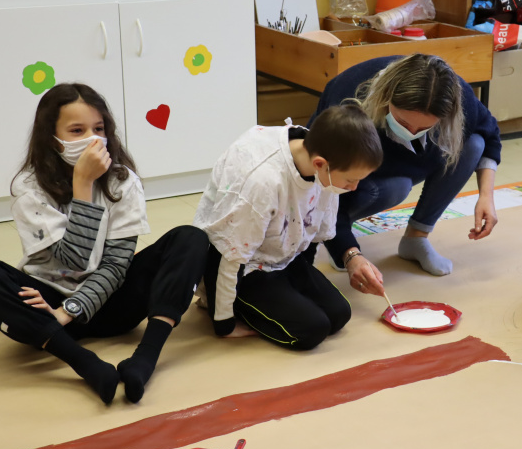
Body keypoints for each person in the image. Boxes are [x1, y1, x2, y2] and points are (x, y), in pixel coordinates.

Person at [0, 83, 209, 403]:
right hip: (47, 310)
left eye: (98, 128)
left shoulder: (123, 181)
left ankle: (145, 358)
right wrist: (83, 184)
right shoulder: (30, 188)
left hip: (109, 303)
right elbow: (71, 263)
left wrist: (71, 310)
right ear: (52, 139)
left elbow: (117, 265)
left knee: (191, 239)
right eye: (77, 130)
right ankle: (84, 363)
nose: (92, 139)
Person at [307, 54, 502, 296]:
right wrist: (348, 252)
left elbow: (490, 133)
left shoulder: (457, 95)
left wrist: (486, 196)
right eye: (402, 122)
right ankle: (336, 234)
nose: (411, 132)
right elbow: (320, 189)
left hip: (417, 162)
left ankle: (416, 237)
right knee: (396, 188)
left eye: (423, 128)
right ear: (386, 96)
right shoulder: (349, 101)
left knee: (474, 144)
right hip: (365, 178)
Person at [194, 105, 383, 350]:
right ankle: (229, 304)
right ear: (320, 163)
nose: (355, 187)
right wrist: (223, 322)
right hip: (243, 268)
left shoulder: (323, 157)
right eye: (350, 180)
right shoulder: (263, 181)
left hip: (282, 257)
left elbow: (315, 228)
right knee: (311, 331)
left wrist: (349, 258)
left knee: (338, 315)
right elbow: (229, 254)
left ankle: (277, 300)